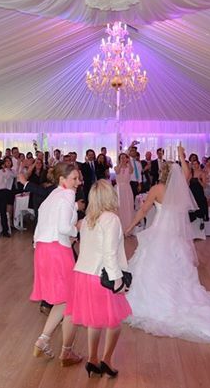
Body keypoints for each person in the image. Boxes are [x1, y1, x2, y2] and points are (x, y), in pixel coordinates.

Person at [123, 145, 210, 344]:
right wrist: (181, 154)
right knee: (177, 269)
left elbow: (143, 211)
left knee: (153, 267)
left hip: (160, 234)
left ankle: (159, 301)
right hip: (176, 238)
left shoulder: (157, 189)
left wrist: (129, 226)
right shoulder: (181, 188)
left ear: (162, 173)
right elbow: (186, 172)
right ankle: (177, 297)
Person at [65, 180, 132, 378]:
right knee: (114, 322)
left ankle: (92, 359)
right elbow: (109, 253)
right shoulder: (111, 219)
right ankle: (106, 360)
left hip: (83, 275)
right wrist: (118, 280)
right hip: (103, 276)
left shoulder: (87, 220)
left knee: (94, 321)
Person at [29, 162, 83, 366]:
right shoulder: (67, 196)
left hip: (42, 249)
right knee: (71, 300)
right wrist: (76, 229)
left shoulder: (51, 196)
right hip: (56, 250)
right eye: (74, 179)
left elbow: (42, 224)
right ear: (62, 180)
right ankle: (66, 352)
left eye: (78, 178)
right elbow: (63, 227)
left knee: (63, 300)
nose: (78, 182)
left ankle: (43, 340)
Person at [114, 153, 134, 233]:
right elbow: (117, 171)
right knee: (119, 207)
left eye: (124, 157)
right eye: (121, 158)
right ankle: (119, 229)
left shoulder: (129, 167)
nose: (122, 159)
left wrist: (129, 162)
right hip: (119, 189)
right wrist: (120, 164)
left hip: (127, 189)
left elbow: (132, 171)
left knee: (128, 207)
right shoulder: (116, 167)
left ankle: (128, 228)